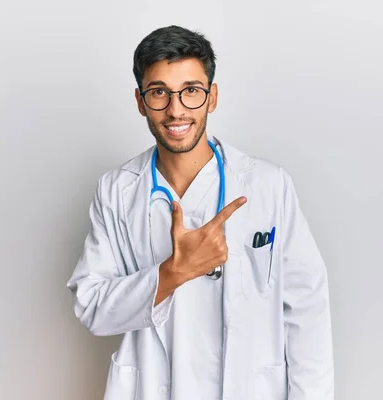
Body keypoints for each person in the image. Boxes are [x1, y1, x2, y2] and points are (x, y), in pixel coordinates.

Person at [67, 25, 334, 400]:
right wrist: (172, 273)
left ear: (212, 97)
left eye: (190, 91)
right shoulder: (116, 191)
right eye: (159, 92)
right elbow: (92, 307)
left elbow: (307, 310)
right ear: (140, 101)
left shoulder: (267, 186)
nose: (176, 109)